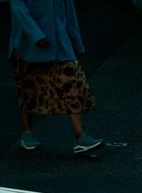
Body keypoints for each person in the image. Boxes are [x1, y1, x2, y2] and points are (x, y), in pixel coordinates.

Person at [8, 0, 102, 155]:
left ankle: (80, 136)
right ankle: (27, 133)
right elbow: (18, 10)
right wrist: (36, 35)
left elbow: (70, 15)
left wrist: (76, 42)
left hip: (60, 44)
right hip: (28, 46)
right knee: (28, 90)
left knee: (71, 83)